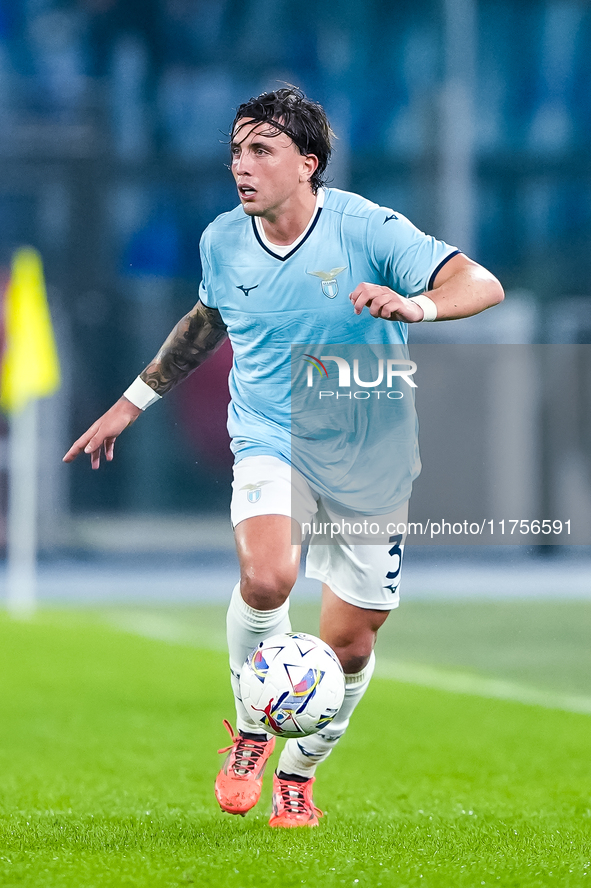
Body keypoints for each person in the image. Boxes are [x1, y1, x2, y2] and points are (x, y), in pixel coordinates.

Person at [64, 87, 504, 828]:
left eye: (260, 150)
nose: (241, 164)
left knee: (351, 644)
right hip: (272, 433)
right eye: (236, 149)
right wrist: (131, 402)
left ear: (307, 164)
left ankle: (297, 776)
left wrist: (415, 306)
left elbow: (480, 283)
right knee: (268, 577)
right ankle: (248, 729)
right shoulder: (222, 239)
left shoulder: (367, 228)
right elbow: (208, 320)